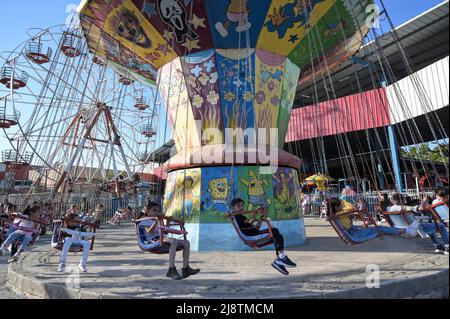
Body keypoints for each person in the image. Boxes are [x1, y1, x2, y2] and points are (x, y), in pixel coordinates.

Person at [230, 198, 297, 276]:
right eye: (238, 206)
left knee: (278, 236)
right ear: (233, 207)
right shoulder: (238, 216)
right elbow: (250, 222)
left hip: (253, 233)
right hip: (251, 237)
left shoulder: (240, 216)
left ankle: (279, 260)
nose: (241, 207)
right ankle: (281, 258)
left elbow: (255, 228)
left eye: (242, 205)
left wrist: (261, 218)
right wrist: (255, 213)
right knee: (274, 231)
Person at [138, 202, 200, 280]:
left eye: (157, 211)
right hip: (153, 240)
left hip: (162, 237)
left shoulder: (155, 220)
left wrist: (168, 221)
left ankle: (186, 268)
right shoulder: (144, 221)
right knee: (173, 241)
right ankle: (171, 269)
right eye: (154, 210)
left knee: (186, 243)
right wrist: (156, 221)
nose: (156, 213)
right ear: (147, 211)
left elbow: (165, 232)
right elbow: (149, 231)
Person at [327, 198, 420, 241]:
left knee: (379, 228)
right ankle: (407, 230)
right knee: (380, 228)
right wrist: (342, 200)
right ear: (335, 206)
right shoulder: (339, 214)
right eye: (340, 205)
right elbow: (351, 207)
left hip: (353, 230)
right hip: (354, 234)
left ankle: (406, 231)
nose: (342, 206)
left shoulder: (337, 214)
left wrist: (349, 217)